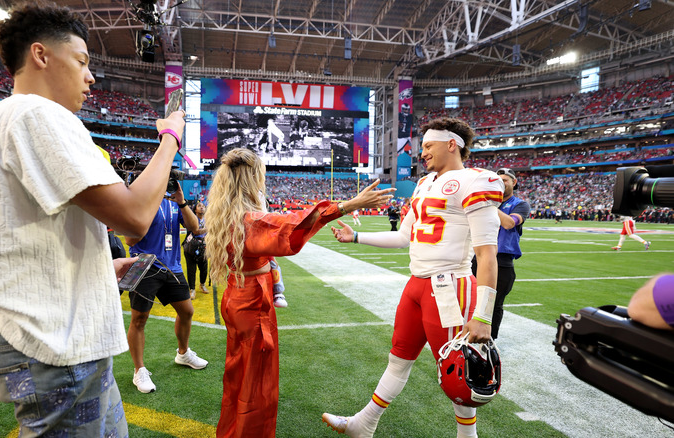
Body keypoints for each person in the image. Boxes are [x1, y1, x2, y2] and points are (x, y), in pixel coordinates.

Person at [0, 3, 185, 435]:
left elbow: (31, 236)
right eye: (81, 61)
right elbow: (136, 216)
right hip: (54, 346)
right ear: (41, 56)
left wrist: (100, 269)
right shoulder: (36, 112)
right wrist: (170, 137)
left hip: (53, 339)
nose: (91, 76)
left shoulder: (8, 117)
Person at [322, 117, 504, 438]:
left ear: (452, 144)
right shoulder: (424, 184)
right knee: (398, 359)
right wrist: (356, 239)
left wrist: (483, 316)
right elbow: (404, 237)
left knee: (458, 373)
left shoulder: (477, 181)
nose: (422, 154)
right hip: (417, 285)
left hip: (450, 286)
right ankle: (364, 424)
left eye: (428, 146)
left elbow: (487, 255)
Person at [204, 148, 394, 438]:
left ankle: (230, 432)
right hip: (252, 302)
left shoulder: (227, 213)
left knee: (237, 377)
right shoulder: (249, 220)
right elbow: (295, 225)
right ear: (252, 177)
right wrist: (351, 203)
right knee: (255, 386)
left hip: (237, 294)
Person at [125, 183, 208, 394]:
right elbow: (130, 239)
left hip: (172, 267)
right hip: (145, 265)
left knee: (187, 311)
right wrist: (150, 205)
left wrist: (181, 202)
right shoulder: (141, 200)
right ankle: (139, 370)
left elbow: (195, 227)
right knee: (139, 319)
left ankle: (183, 353)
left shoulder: (173, 203)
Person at [471, 168, 530, 339]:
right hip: (478, 257)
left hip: (502, 261)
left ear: (514, 182)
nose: (501, 183)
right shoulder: (487, 202)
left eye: (505, 180)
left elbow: (509, 223)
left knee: (494, 304)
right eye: (498, 179)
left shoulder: (520, 204)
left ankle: (489, 342)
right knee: (472, 300)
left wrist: (487, 204)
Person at [183, 201, 209, 299]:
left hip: (203, 246)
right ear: (195, 210)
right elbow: (196, 231)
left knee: (204, 267)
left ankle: (202, 284)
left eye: (203, 206)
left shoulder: (208, 219)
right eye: (199, 206)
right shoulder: (192, 219)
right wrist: (208, 229)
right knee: (191, 269)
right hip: (191, 247)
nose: (202, 207)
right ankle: (192, 289)